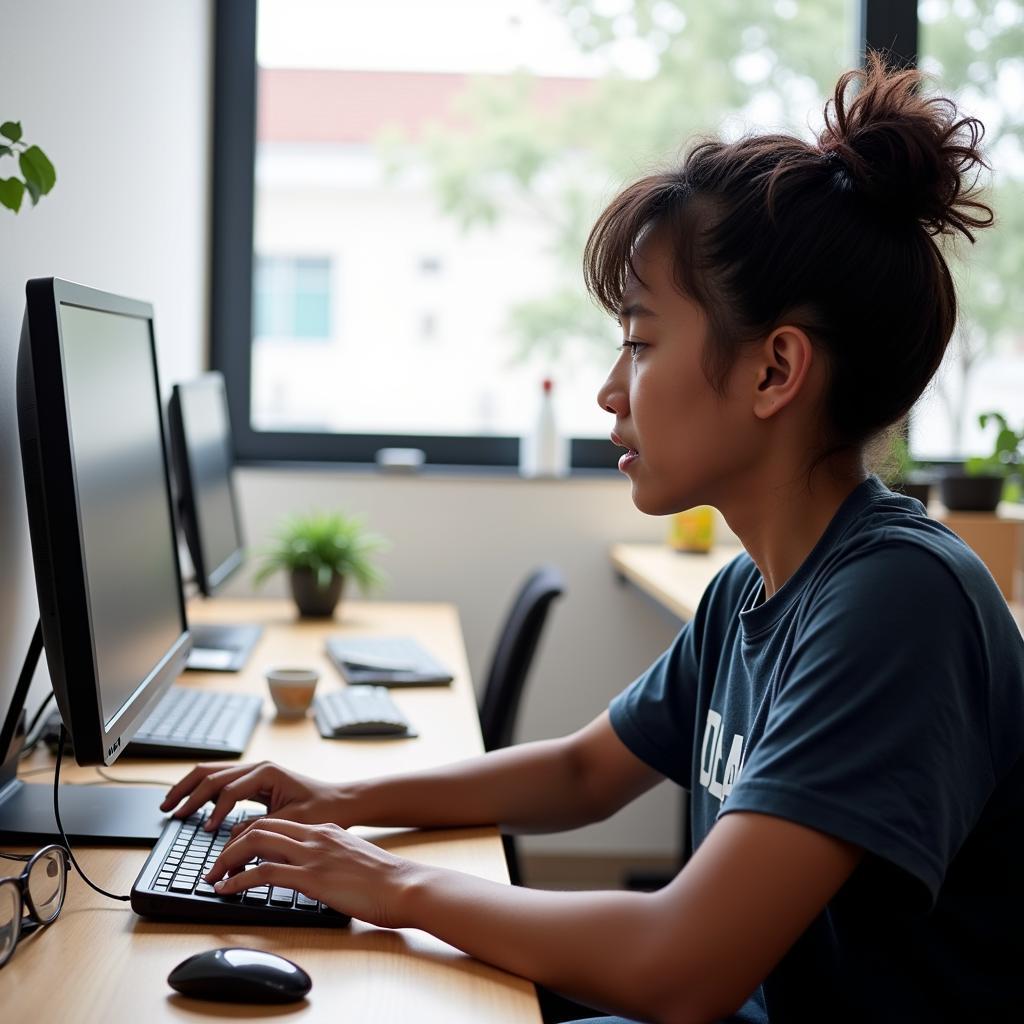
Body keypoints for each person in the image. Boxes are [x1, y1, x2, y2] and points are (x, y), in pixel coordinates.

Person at [161, 55, 1024, 1024]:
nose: (611, 388)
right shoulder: (755, 586)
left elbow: (680, 966)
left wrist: (386, 886)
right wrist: (340, 800)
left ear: (774, 369)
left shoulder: (896, 602)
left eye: (642, 340)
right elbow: (582, 771)